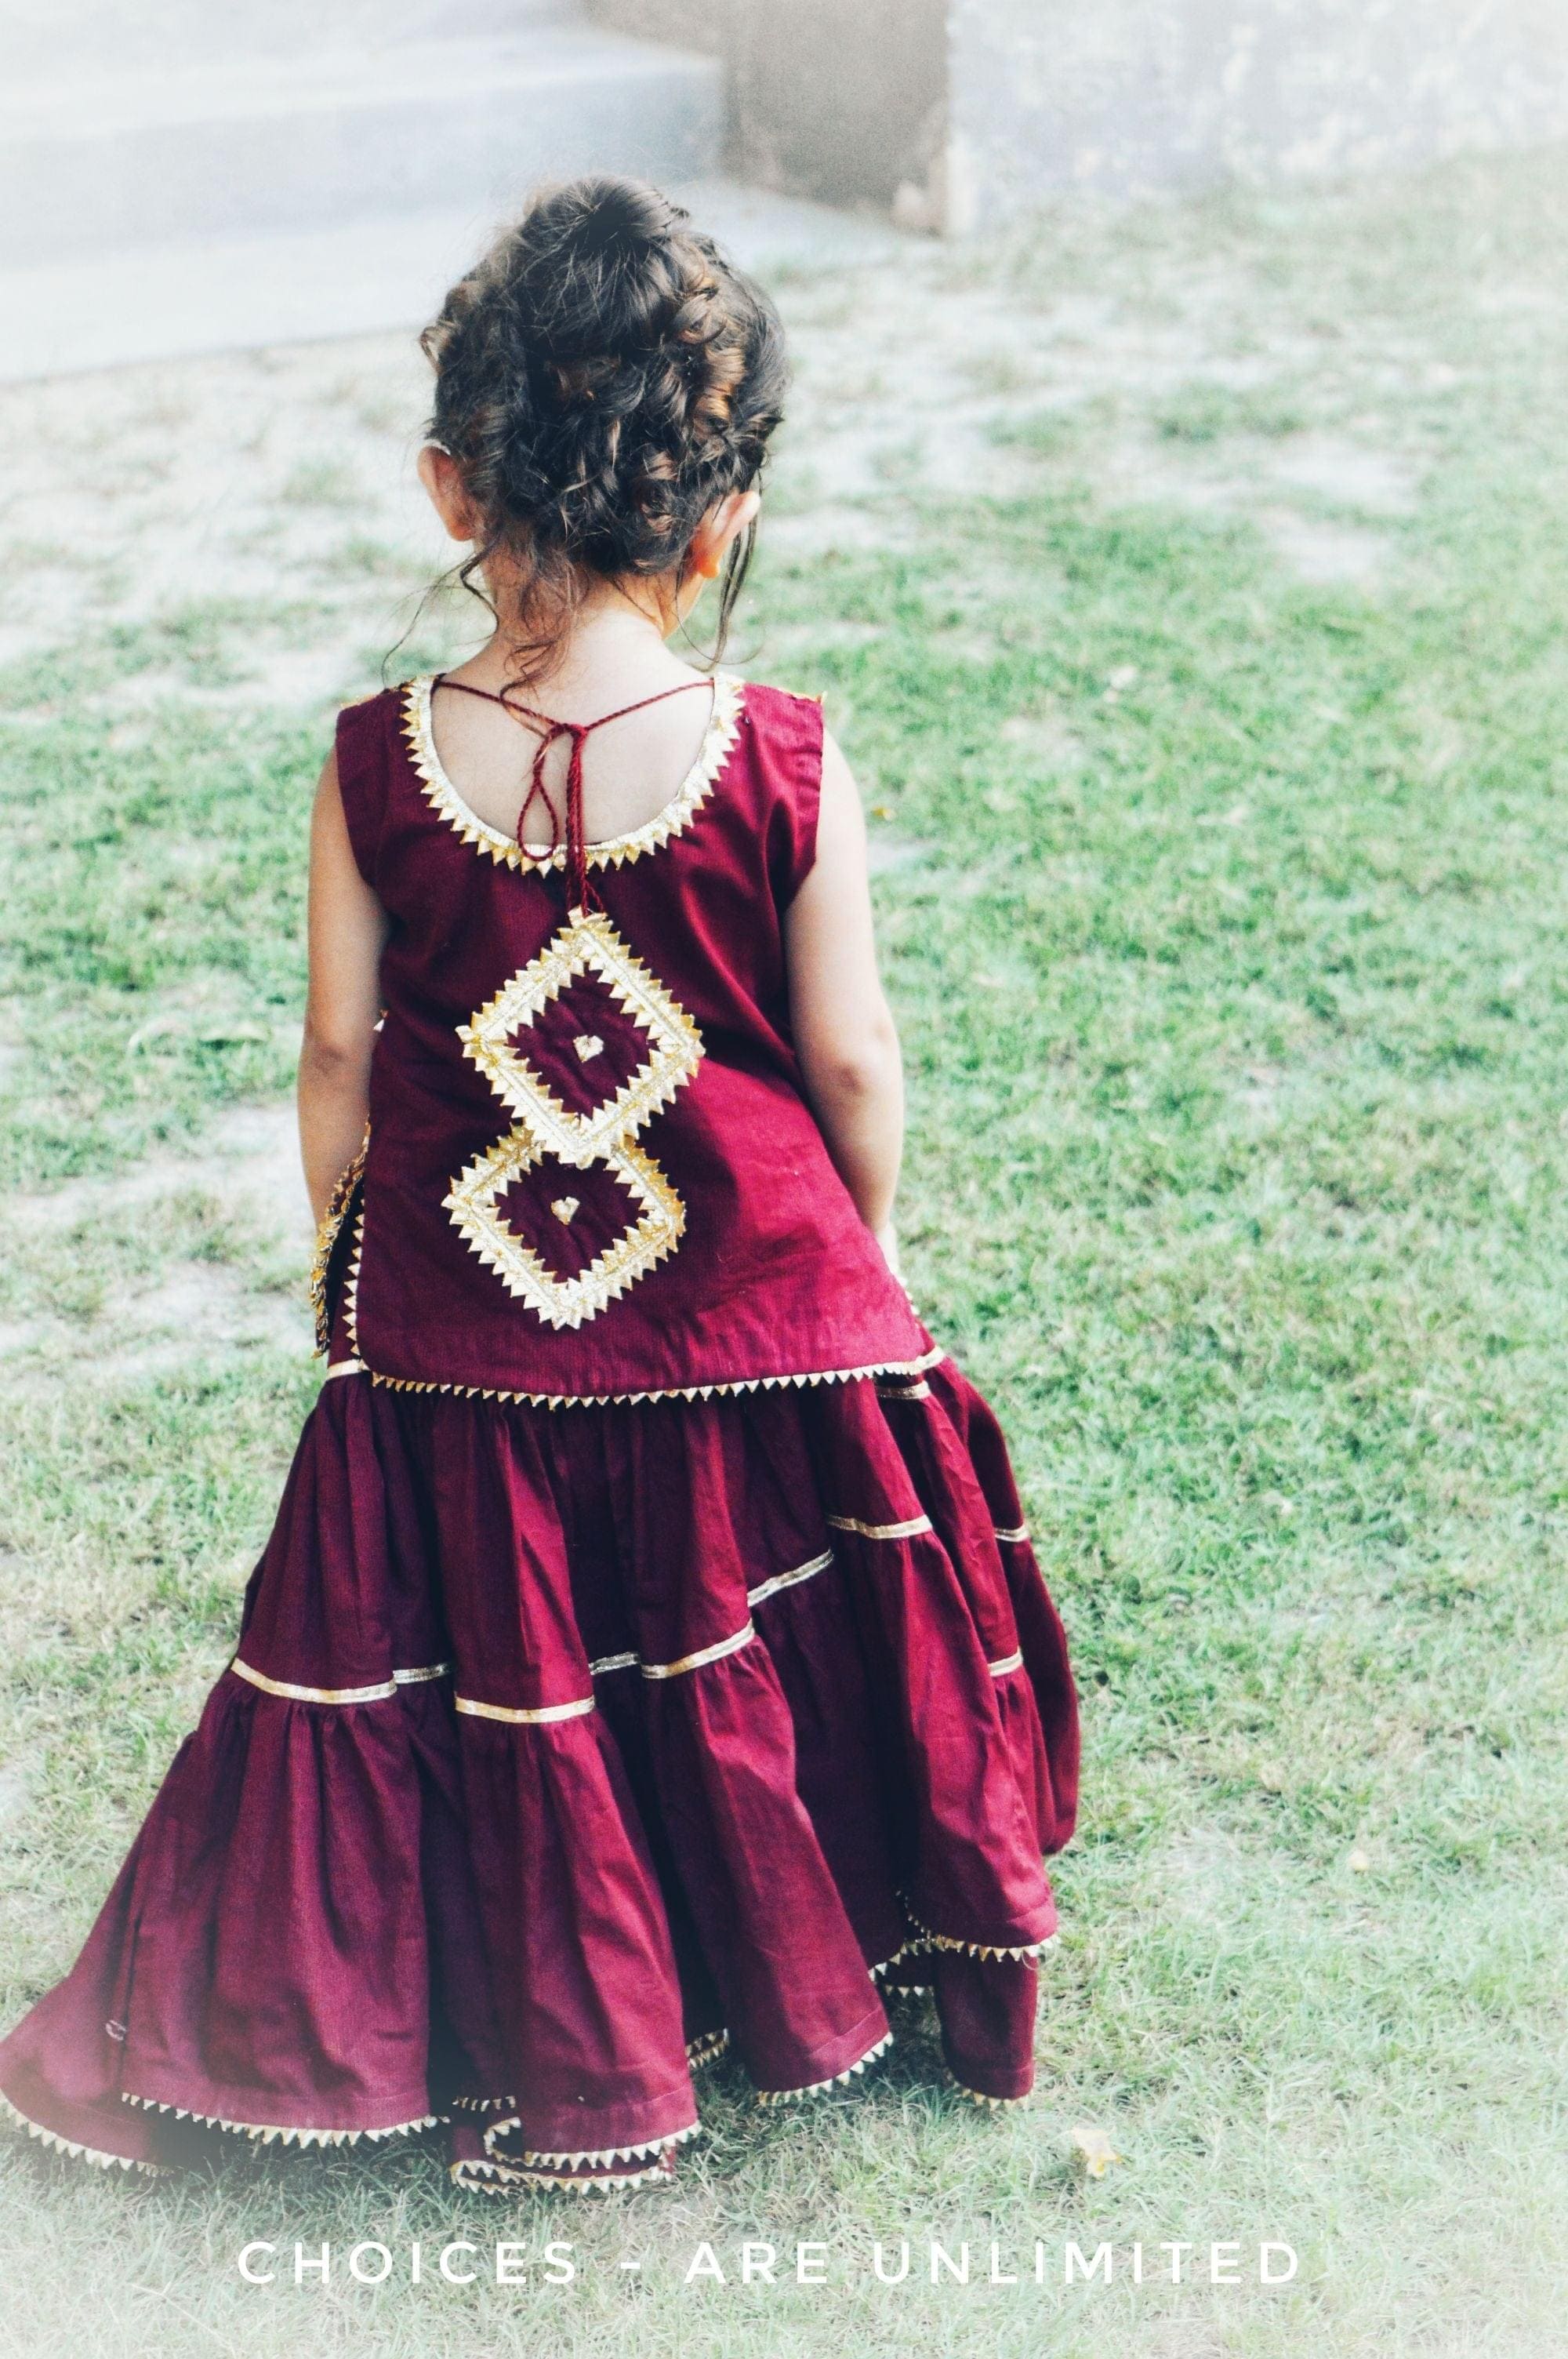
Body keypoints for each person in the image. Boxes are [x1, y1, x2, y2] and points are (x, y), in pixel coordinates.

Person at [0, 176, 1079, 2194]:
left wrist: (356, 1260)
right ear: (719, 517)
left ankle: (541, 1996)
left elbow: (340, 1055)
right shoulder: (779, 759)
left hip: (465, 1321)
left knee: (516, 1655)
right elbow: (848, 1057)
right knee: (750, 1633)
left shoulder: (373, 761)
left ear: (445, 488)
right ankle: (809, 1954)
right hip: (753, 1305)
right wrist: (866, 1259)